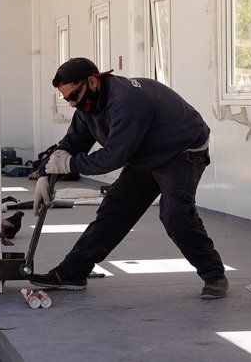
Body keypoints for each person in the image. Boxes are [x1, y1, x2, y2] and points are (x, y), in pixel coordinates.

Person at [30, 57, 228, 299]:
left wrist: (69, 165)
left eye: (73, 96)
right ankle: (72, 273)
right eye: (66, 99)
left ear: (92, 81)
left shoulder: (125, 101)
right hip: (147, 153)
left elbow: (113, 158)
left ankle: (214, 275)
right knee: (114, 210)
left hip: (182, 149)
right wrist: (45, 172)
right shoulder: (87, 106)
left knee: (175, 214)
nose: (72, 104)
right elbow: (72, 143)